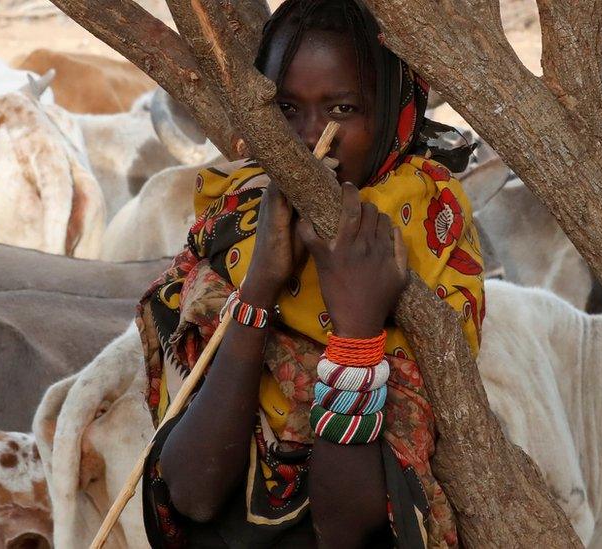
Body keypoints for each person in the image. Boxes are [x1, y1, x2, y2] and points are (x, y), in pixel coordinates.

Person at [136, 0, 485, 546]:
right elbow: (192, 493)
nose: (313, 137)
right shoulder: (236, 222)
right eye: (288, 109)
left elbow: (347, 529)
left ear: (397, 113)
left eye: (343, 109)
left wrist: (356, 332)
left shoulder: (426, 228)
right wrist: (259, 286)